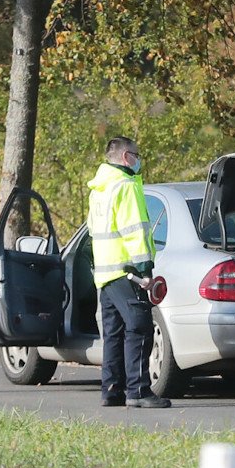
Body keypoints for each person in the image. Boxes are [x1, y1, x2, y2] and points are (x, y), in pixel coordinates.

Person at [87, 136, 170, 408]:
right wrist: (145, 269)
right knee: (140, 327)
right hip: (128, 270)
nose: (139, 159)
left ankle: (111, 390)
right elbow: (133, 231)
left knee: (113, 333)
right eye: (137, 153)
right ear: (126, 157)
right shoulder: (126, 186)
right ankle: (138, 391)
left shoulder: (100, 188)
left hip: (106, 272)